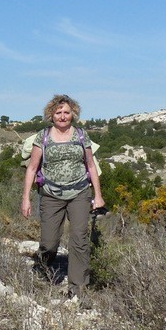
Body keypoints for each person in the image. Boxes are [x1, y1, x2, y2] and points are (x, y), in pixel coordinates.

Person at [21, 94, 105, 299]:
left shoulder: (81, 135)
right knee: (49, 242)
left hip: (79, 193)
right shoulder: (43, 137)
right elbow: (32, 169)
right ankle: (43, 271)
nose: (62, 116)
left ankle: (78, 288)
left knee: (79, 238)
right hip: (51, 194)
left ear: (73, 114)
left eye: (66, 112)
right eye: (58, 112)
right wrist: (26, 198)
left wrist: (98, 195)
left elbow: (91, 166)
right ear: (51, 115)